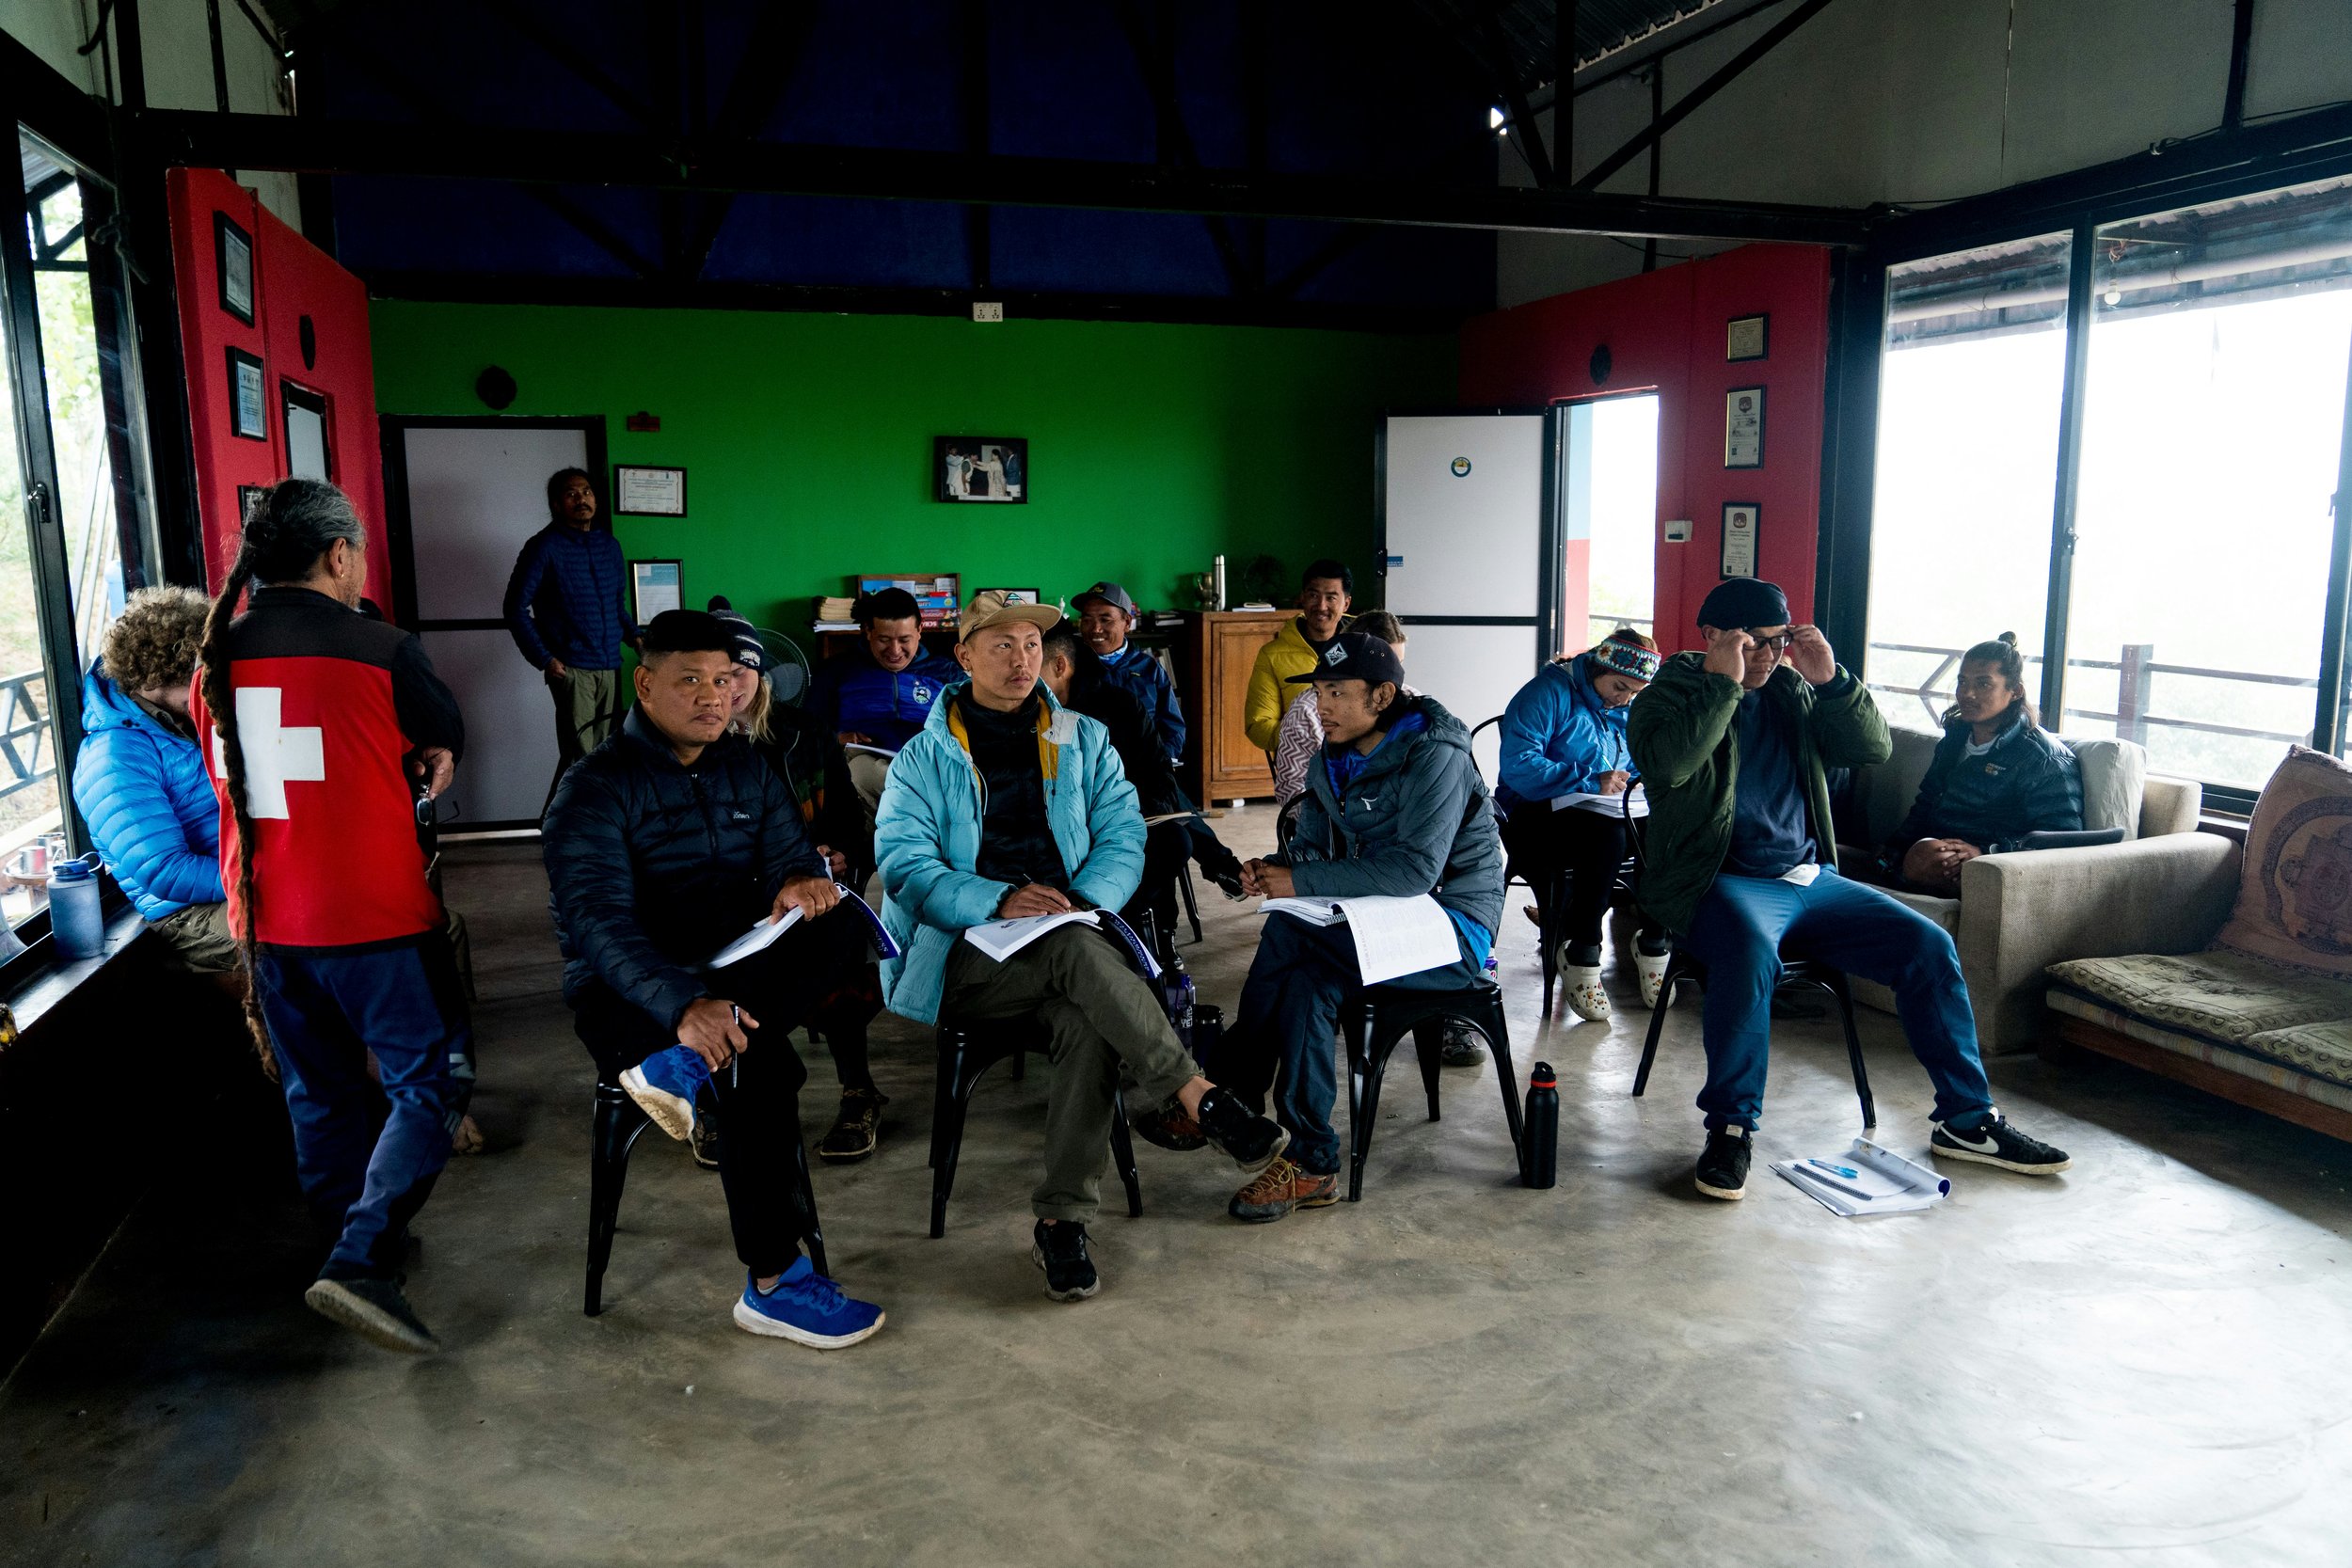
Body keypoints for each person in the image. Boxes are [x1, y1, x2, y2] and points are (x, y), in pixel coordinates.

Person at [874, 591, 1289, 1301]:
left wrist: (1086, 900)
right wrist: (998, 899)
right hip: (966, 954)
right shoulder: (923, 757)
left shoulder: (1082, 736)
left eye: (1032, 645)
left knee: (1088, 1021)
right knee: (1076, 954)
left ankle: (1061, 1222)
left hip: (1069, 935)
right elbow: (905, 867)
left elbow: (1125, 835)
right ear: (965, 656)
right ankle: (1197, 1093)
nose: (1021, 658)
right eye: (1001, 644)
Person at [1627, 579, 2074, 1202]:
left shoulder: (1792, 690)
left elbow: (1873, 747)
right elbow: (1669, 764)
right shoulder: (1669, 692)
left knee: (1927, 945)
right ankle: (1731, 1127)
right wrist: (1721, 684)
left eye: (1778, 643)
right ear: (1712, 638)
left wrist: (1832, 682)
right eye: (1752, 644)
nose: (1767, 658)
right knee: (1750, 956)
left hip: (1811, 879)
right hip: (1720, 881)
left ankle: (1967, 1120)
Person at [544, 609, 886, 1349]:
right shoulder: (593, 787)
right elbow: (598, 926)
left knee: (843, 920)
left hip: (734, 967)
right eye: (690, 679)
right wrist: (683, 1007)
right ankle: (773, 1282)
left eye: (726, 679)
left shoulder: (745, 764)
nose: (712, 695)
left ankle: (692, 1061)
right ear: (645, 682)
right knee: (755, 1069)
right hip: (629, 990)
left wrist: (800, 879)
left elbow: (788, 850)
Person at [188, 478, 473, 1354]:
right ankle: (362, 1257)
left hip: (268, 916)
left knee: (318, 1090)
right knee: (430, 1082)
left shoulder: (217, 657)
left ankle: (345, 1241)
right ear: (339, 555)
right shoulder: (383, 648)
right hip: (373, 911)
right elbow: (441, 734)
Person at [1215, 631, 1505, 1222]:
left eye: (1338, 693)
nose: (1321, 707)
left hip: (1452, 927)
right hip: (1374, 921)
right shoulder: (1333, 757)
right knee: (1304, 986)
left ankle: (1229, 1090)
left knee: (1291, 934)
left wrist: (1301, 886)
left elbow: (1416, 870)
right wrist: (1276, 870)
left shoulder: (1435, 753)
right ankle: (1313, 1162)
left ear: (1382, 696)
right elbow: (1316, 853)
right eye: (1319, 691)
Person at [707, 597, 890, 1165]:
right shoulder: (690, 748)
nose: (727, 687)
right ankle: (719, 1090)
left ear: (761, 674)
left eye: (738, 672)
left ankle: (858, 1089)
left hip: (808, 896)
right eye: (712, 675)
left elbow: (850, 825)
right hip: (729, 905)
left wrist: (839, 854)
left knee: (835, 935)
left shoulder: (804, 734)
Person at [1495, 627, 1671, 1022]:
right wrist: (1590, 780)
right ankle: (1582, 949)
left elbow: (1636, 760)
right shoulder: (1546, 693)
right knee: (1607, 837)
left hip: (1601, 810)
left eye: (1634, 693)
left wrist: (1646, 781)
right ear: (1597, 666)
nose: (1624, 699)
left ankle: (1655, 942)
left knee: (1661, 830)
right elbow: (1518, 767)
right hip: (1532, 813)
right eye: (1620, 687)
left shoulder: (1623, 706)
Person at [1040, 626, 1246, 957]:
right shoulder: (1034, 713)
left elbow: (1158, 770)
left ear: (1059, 666)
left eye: (1032, 659)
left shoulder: (1119, 704)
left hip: (1126, 813)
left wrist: (1137, 815)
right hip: (1064, 827)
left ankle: (1150, 938)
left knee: (1169, 839)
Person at [72, 586, 233, 981]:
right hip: (187, 912)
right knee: (309, 938)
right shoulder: (114, 756)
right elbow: (165, 870)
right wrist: (267, 880)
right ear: (152, 680)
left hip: (239, 879)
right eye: (197, 681)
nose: (210, 692)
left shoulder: (185, 722)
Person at [1880, 632, 2083, 895]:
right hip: (1933, 851)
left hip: (1988, 866)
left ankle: (1895, 878)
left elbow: (2063, 837)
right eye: (1962, 682)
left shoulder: (2041, 757)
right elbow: (1928, 800)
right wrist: (1894, 847)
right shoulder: (1954, 740)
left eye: (1983, 684)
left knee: (1925, 855)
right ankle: (1888, 875)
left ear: (2014, 692)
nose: (1967, 694)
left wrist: (1987, 852)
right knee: (1831, 855)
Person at [502, 467, 641, 786]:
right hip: (572, 668)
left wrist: (634, 636)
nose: (582, 499)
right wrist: (545, 659)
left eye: (587, 492)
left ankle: (563, 823)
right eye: (572, 494)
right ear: (556, 504)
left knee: (603, 753)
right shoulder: (544, 547)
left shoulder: (609, 545)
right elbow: (514, 608)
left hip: (609, 664)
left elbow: (615, 604)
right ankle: (579, 830)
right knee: (581, 754)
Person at [806, 586, 958, 822]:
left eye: (904, 640)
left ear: (920, 631)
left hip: (929, 762)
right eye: (884, 640)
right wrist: (836, 738)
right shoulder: (837, 672)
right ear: (867, 631)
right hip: (864, 763)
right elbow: (806, 730)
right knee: (866, 773)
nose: (895, 651)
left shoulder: (946, 673)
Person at [1272, 610, 1408, 808]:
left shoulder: (1412, 702)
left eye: (1399, 666)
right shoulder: (1307, 713)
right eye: (1385, 666)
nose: (1395, 681)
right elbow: (1292, 796)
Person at [1243, 559, 1352, 753]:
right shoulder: (1272, 655)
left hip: (1359, 764)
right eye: (1313, 595)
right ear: (1302, 597)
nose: (1321, 605)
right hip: (1302, 765)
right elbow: (1258, 726)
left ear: (1346, 604)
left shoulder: (1361, 647)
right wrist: (1305, 737)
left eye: (1331, 598)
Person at [1074, 580, 1184, 767]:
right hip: (1087, 772)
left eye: (1105, 619)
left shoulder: (1150, 669)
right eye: (1087, 620)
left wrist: (1164, 762)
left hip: (1143, 769)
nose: (1095, 629)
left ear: (1127, 622)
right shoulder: (1070, 668)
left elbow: (1172, 725)